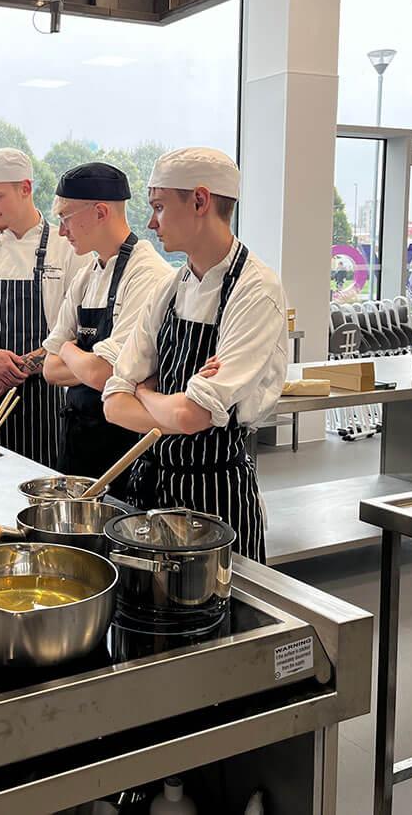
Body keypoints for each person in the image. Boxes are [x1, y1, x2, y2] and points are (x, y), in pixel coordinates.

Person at [102, 148, 287, 563]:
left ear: (200, 201)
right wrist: (175, 402)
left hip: (216, 499)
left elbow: (193, 417)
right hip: (151, 492)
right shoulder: (169, 288)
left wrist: (144, 392)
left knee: (222, 619)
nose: (151, 222)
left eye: (160, 207)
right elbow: (114, 403)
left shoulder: (255, 290)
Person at [0, 148, 87, 467]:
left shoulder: (66, 248)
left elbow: (76, 335)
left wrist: (16, 369)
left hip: (41, 402)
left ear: (26, 188)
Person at [42, 162, 173, 497]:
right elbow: (49, 369)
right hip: (76, 439)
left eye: (65, 217)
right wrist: (80, 361)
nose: (61, 231)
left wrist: (69, 349)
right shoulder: (88, 274)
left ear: (100, 211)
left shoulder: (146, 273)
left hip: (121, 444)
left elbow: (105, 374)